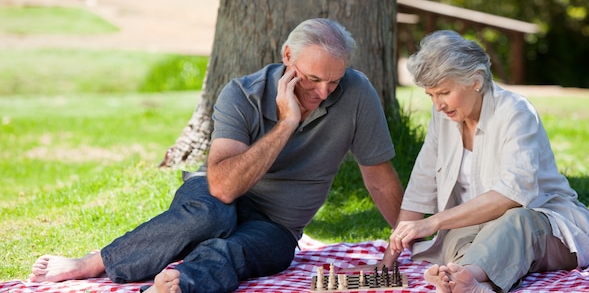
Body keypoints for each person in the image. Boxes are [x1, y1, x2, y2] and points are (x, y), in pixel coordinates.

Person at [30, 18, 404, 293]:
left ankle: (175, 286)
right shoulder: (242, 94)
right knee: (210, 214)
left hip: (277, 226)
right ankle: (93, 263)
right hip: (214, 194)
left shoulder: (356, 93)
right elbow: (223, 188)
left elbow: (378, 176)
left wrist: (411, 238)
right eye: (312, 79)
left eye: (333, 81)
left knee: (231, 250)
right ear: (288, 56)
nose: (324, 92)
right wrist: (287, 124)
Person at [381, 30, 589, 293]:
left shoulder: (515, 112)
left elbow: (512, 196)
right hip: (481, 232)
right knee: (453, 235)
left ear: (475, 81)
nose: (438, 105)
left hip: (545, 227)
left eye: (444, 92)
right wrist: (386, 264)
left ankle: (469, 277)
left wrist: (433, 222)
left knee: (515, 220)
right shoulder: (444, 116)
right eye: (431, 95)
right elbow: (421, 185)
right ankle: (472, 283)